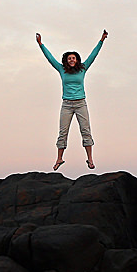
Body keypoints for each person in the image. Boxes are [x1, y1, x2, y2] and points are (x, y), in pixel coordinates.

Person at [36, 30, 108, 171]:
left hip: (81, 103)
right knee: (63, 132)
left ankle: (90, 159)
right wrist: (40, 44)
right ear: (66, 60)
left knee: (85, 131)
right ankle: (59, 159)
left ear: (77, 60)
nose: (72, 60)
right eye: (69, 58)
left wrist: (101, 40)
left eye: (74, 58)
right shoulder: (61, 69)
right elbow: (49, 57)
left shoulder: (83, 68)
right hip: (67, 105)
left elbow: (93, 55)